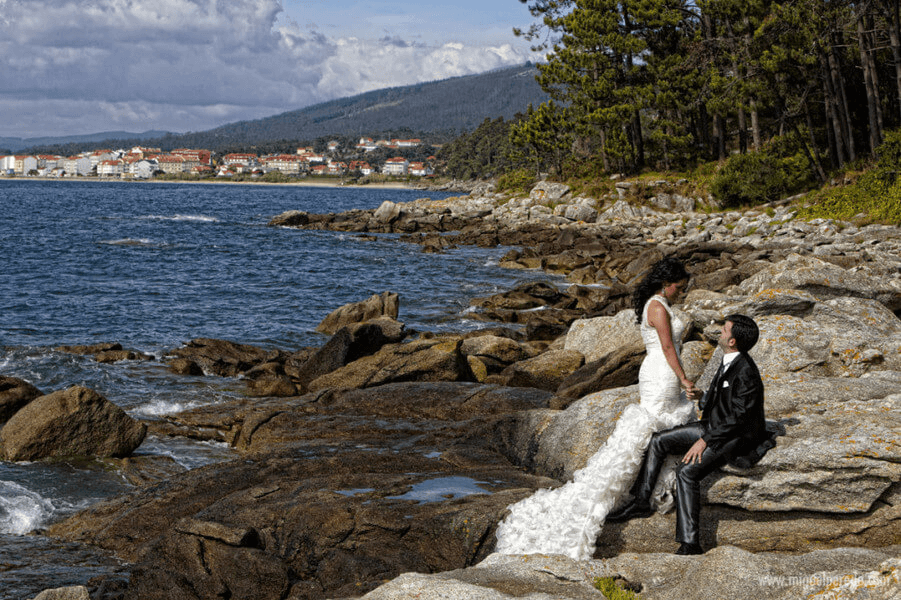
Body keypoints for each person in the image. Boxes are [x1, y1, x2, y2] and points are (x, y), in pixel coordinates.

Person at [492, 257, 698, 559]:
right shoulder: (656, 307)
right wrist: (684, 379)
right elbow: (668, 347)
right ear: (666, 285)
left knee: (660, 427)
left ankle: (644, 490)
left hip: (660, 370)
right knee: (653, 425)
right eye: (679, 288)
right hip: (662, 372)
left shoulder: (658, 304)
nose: (682, 293)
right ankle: (633, 493)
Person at [606, 314, 767, 556]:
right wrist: (702, 397)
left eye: (724, 330)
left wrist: (704, 441)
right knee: (658, 440)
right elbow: (725, 402)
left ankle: (690, 543)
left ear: (732, 341)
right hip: (714, 427)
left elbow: (739, 417)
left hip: (733, 437)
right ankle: (641, 502)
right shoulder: (730, 360)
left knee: (686, 472)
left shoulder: (746, 371)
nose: (720, 332)